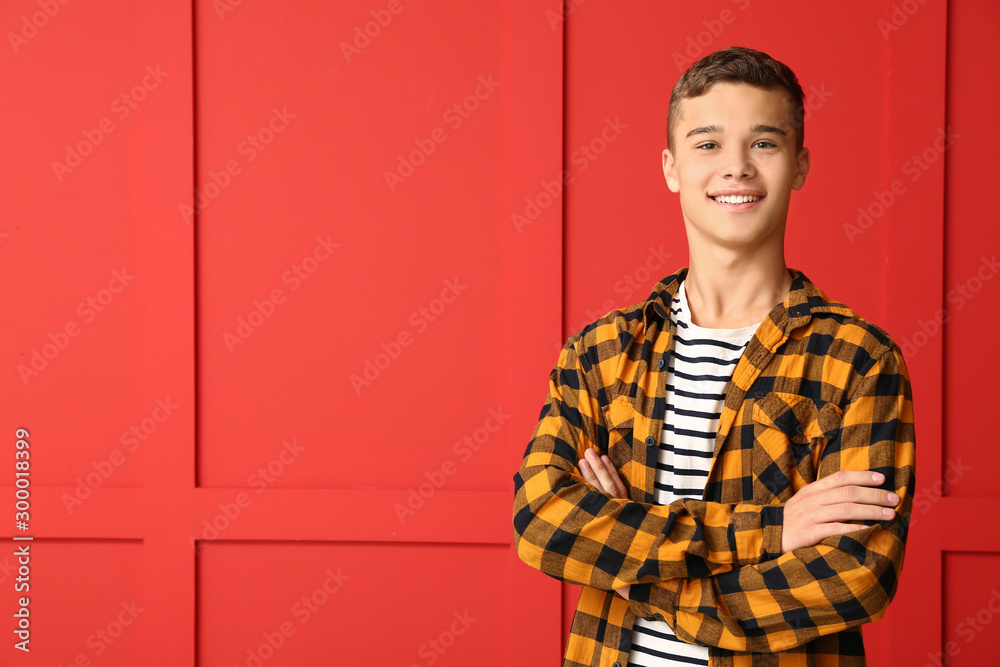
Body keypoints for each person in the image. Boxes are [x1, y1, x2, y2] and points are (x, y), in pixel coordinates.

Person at [511, 46, 916, 667]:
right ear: (670, 168)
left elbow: (854, 575)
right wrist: (773, 531)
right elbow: (543, 521)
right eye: (707, 144)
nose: (736, 168)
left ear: (800, 164)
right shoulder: (600, 353)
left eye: (764, 143)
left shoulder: (860, 360)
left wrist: (631, 573)